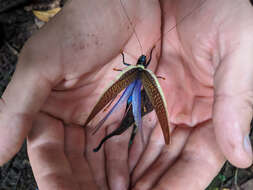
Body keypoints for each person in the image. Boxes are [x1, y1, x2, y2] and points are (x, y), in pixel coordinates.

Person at [0, 0, 253, 189]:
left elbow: (131, 67)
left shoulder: (142, 69)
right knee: (114, 109)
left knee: (120, 112)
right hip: (133, 81)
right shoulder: (139, 68)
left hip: (137, 81)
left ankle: (113, 130)